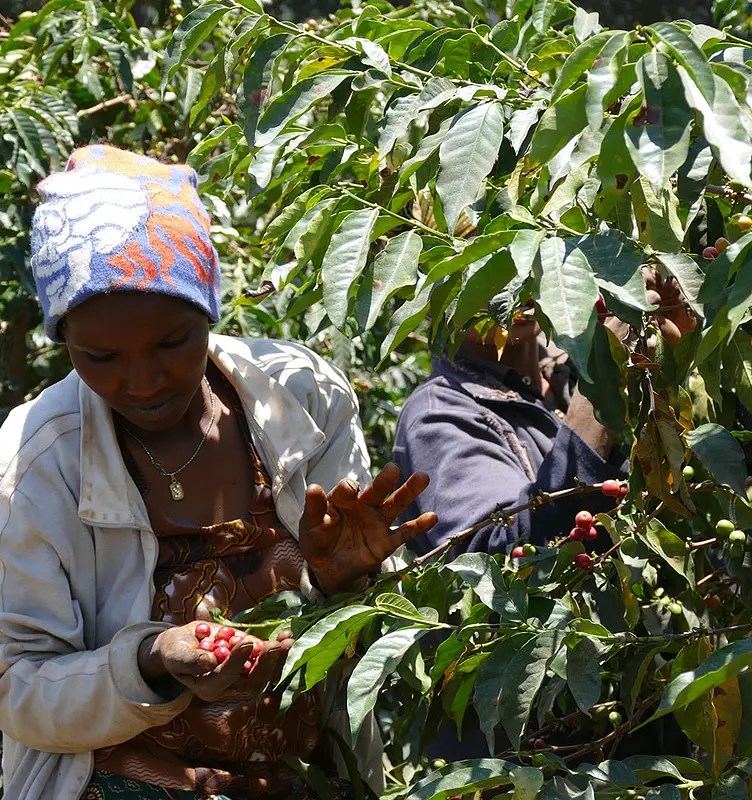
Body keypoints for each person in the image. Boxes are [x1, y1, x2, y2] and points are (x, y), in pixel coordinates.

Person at [0, 145, 437, 800]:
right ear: (65, 342)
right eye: (101, 357)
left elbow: (374, 638)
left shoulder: (305, 398)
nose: (144, 381)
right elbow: (19, 687)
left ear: (207, 309)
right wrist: (152, 660)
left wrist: (342, 578)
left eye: (173, 342)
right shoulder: (33, 461)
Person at [393, 279, 696, 556]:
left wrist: (684, 354)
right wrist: (603, 376)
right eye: (478, 265)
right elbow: (502, 563)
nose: (509, 280)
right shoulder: (438, 414)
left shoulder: (567, 370)